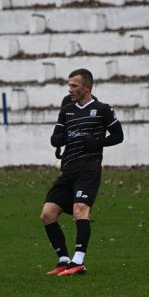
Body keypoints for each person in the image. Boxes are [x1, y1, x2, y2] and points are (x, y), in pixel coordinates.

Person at [41, 69, 124, 277]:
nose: (70, 90)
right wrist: (57, 139)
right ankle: (63, 260)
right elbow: (57, 135)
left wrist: (98, 143)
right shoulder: (67, 109)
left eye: (74, 86)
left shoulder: (102, 109)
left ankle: (78, 262)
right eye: (69, 86)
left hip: (89, 169)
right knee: (47, 215)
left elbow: (118, 135)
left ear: (87, 87)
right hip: (67, 170)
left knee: (80, 211)